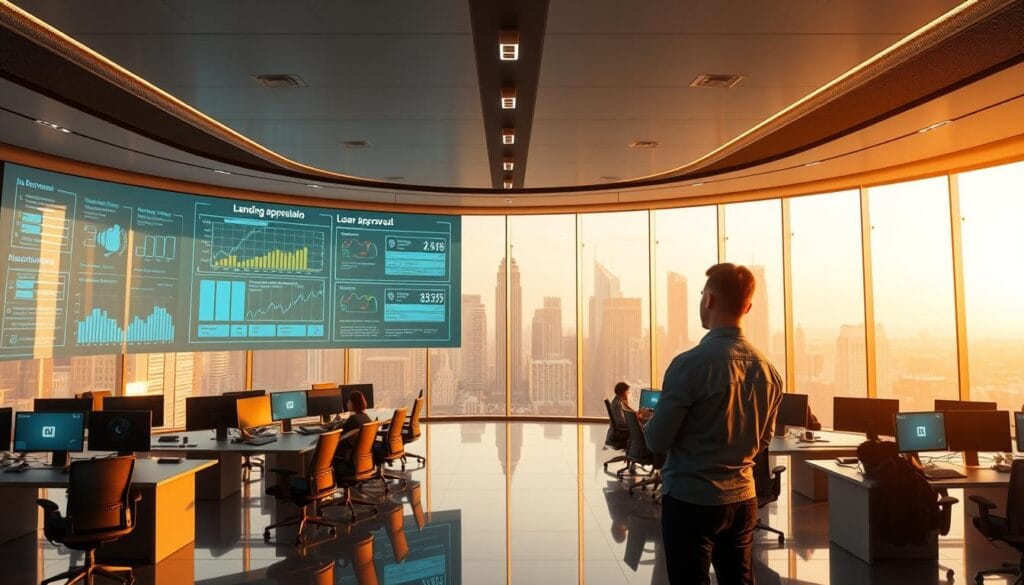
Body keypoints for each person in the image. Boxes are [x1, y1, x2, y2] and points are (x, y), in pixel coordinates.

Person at [644, 263, 783, 585]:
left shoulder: (689, 365)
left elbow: (656, 441)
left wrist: (655, 422)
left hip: (690, 500)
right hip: (743, 500)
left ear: (708, 299)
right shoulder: (768, 370)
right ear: (747, 307)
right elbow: (764, 441)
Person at [334, 391, 371, 476]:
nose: (347, 403)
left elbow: (336, 433)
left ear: (353, 404)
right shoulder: (366, 418)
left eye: (349, 401)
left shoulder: (353, 419)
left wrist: (336, 423)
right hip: (363, 461)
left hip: (349, 461)